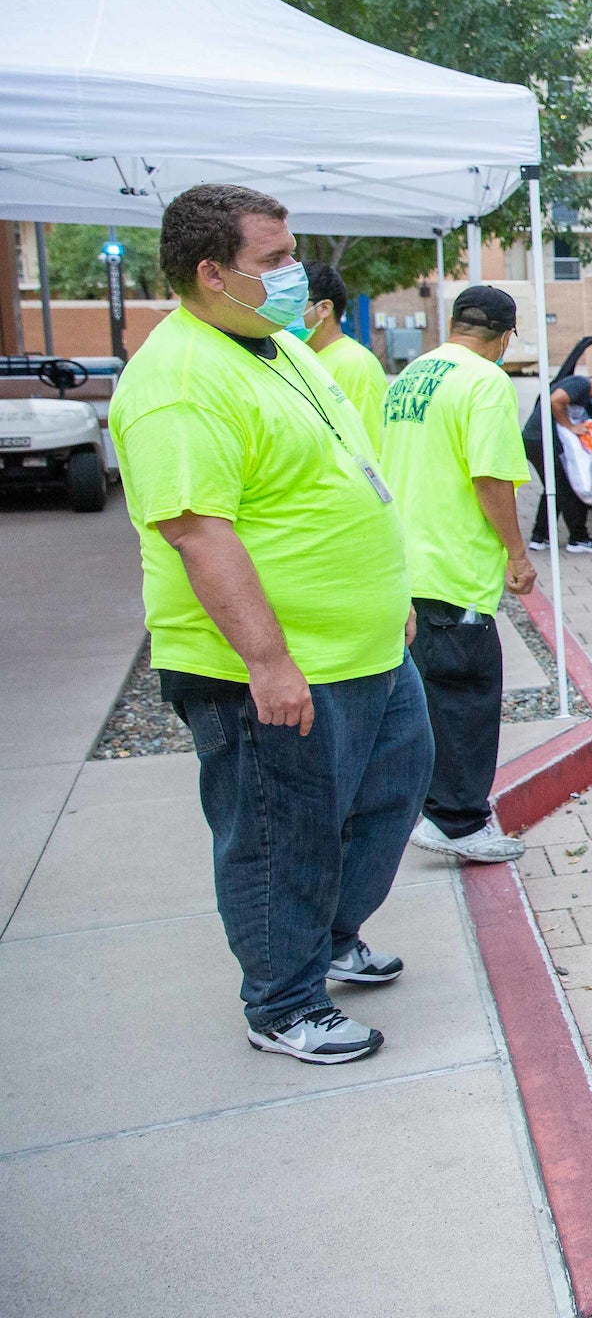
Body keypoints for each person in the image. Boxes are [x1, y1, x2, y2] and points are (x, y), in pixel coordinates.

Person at [110, 183, 429, 1066]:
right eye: (275, 260)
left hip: (361, 645)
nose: (296, 275)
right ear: (212, 273)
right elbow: (195, 531)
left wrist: (388, 591)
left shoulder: (272, 345)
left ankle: (325, 939)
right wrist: (269, 659)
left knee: (392, 789)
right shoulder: (178, 380)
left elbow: (344, 471)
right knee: (276, 832)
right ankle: (284, 1001)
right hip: (272, 667)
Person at [383, 285, 539, 865]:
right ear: (503, 336)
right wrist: (517, 556)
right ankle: (458, 823)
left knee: (427, 701)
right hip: (453, 567)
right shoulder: (486, 381)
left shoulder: (407, 378)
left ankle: (432, 807)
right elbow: (491, 479)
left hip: (405, 565)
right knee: (468, 700)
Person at [290, 261, 389, 454]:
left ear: (324, 308)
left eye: (294, 303)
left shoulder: (356, 364)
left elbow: (369, 448)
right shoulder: (298, 357)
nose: (285, 312)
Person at [522, 364, 592, 554]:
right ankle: (578, 538)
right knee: (568, 488)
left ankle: (540, 536)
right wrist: (571, 427)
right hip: (542, 440)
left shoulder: (581, 391)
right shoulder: (581, 384)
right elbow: (555, 401)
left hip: (536, 440)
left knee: (555, 488)